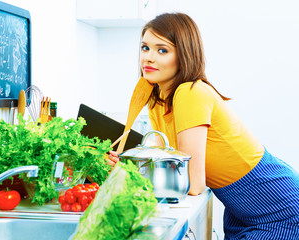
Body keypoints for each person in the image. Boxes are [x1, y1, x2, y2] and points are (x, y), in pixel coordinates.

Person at [108, 12, 299, 239]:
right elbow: (162, 163)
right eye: (145, 48)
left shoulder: (190, 93)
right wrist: (127, 168)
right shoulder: (156, 96)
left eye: (162, 50)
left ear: (185, 55)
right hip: (240, 208)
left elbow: (193, 183)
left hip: (277, 207)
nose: (148, 58)